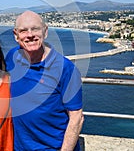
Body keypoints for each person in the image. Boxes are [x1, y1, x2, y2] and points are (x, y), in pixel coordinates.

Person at [6, 10, 84, 151]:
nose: (30, 35)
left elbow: (76, 118)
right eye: (24, 31)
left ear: (45, 31)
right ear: (16, 35)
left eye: (35, 29)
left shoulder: (66, 68)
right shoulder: (12, 57)